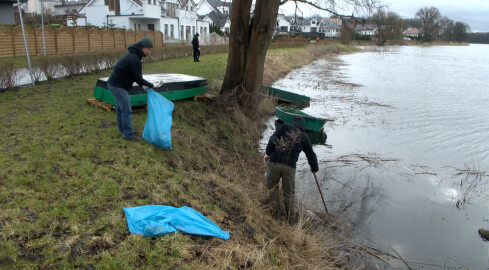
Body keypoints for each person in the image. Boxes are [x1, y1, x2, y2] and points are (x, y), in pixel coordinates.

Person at [264, 117, 319, 225]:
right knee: (289, 194)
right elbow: (311, 155)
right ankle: (290, 220)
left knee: (272, 188)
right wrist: (314, 168)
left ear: (293, 122)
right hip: (289, 168)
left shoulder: (285, 127)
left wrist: (268, 153)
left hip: (275, 163)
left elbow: (273, 139)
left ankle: (278, 215)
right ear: (303, 126)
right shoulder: (305, 137)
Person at [107, 36, 155, 141]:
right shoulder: (134, 58)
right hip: (117, 86)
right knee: (126, 110)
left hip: (115, 84)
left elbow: (134, 76)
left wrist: (144, 85)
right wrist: (151, 85)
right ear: (143, 47)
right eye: (149, 49)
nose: (149, 51)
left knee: (120, 108)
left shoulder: (134, 55)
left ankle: (122, 129)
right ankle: (128, 134)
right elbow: (138, 78)